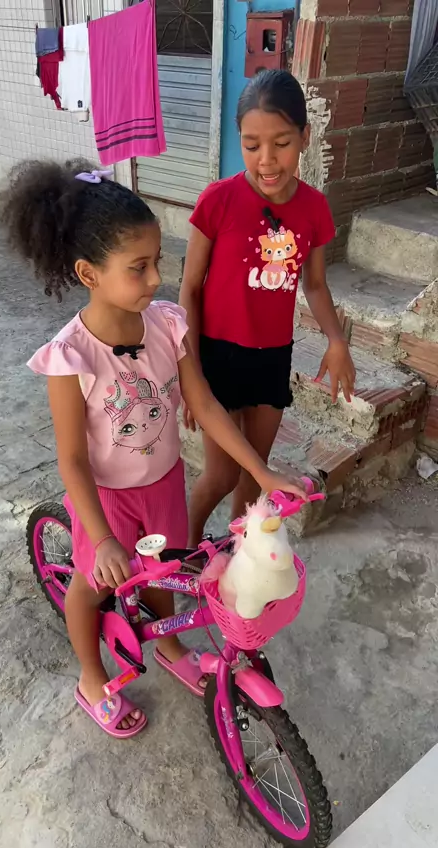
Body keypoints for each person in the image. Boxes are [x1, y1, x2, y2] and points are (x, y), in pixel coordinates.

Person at [1, 159, 308, 739]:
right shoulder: (70, 357)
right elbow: (72, 460)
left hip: (163, 483)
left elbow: (206, 406)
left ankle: (167, 645)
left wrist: (262, 473)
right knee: (91, 588)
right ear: (89, 273)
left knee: (165, 574)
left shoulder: (167, 325)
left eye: (157, 262)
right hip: (106, 500)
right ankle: (92, 678)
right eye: (138, 267)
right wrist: (101, 538)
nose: (155, 279)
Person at [180, 70, 356, 547]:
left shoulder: (314, 208)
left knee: (254, 476)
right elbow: (189, 289)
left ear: (304, 136)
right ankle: (185, 549)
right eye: (251, 145)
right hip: (216, 354)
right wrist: (189, 371)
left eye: (281, 143)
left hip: (272, 356)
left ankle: (239, 555)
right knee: (220, 475)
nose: (267, 160)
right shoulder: (217, 201)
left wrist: (336, 339)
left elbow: (314, 284)